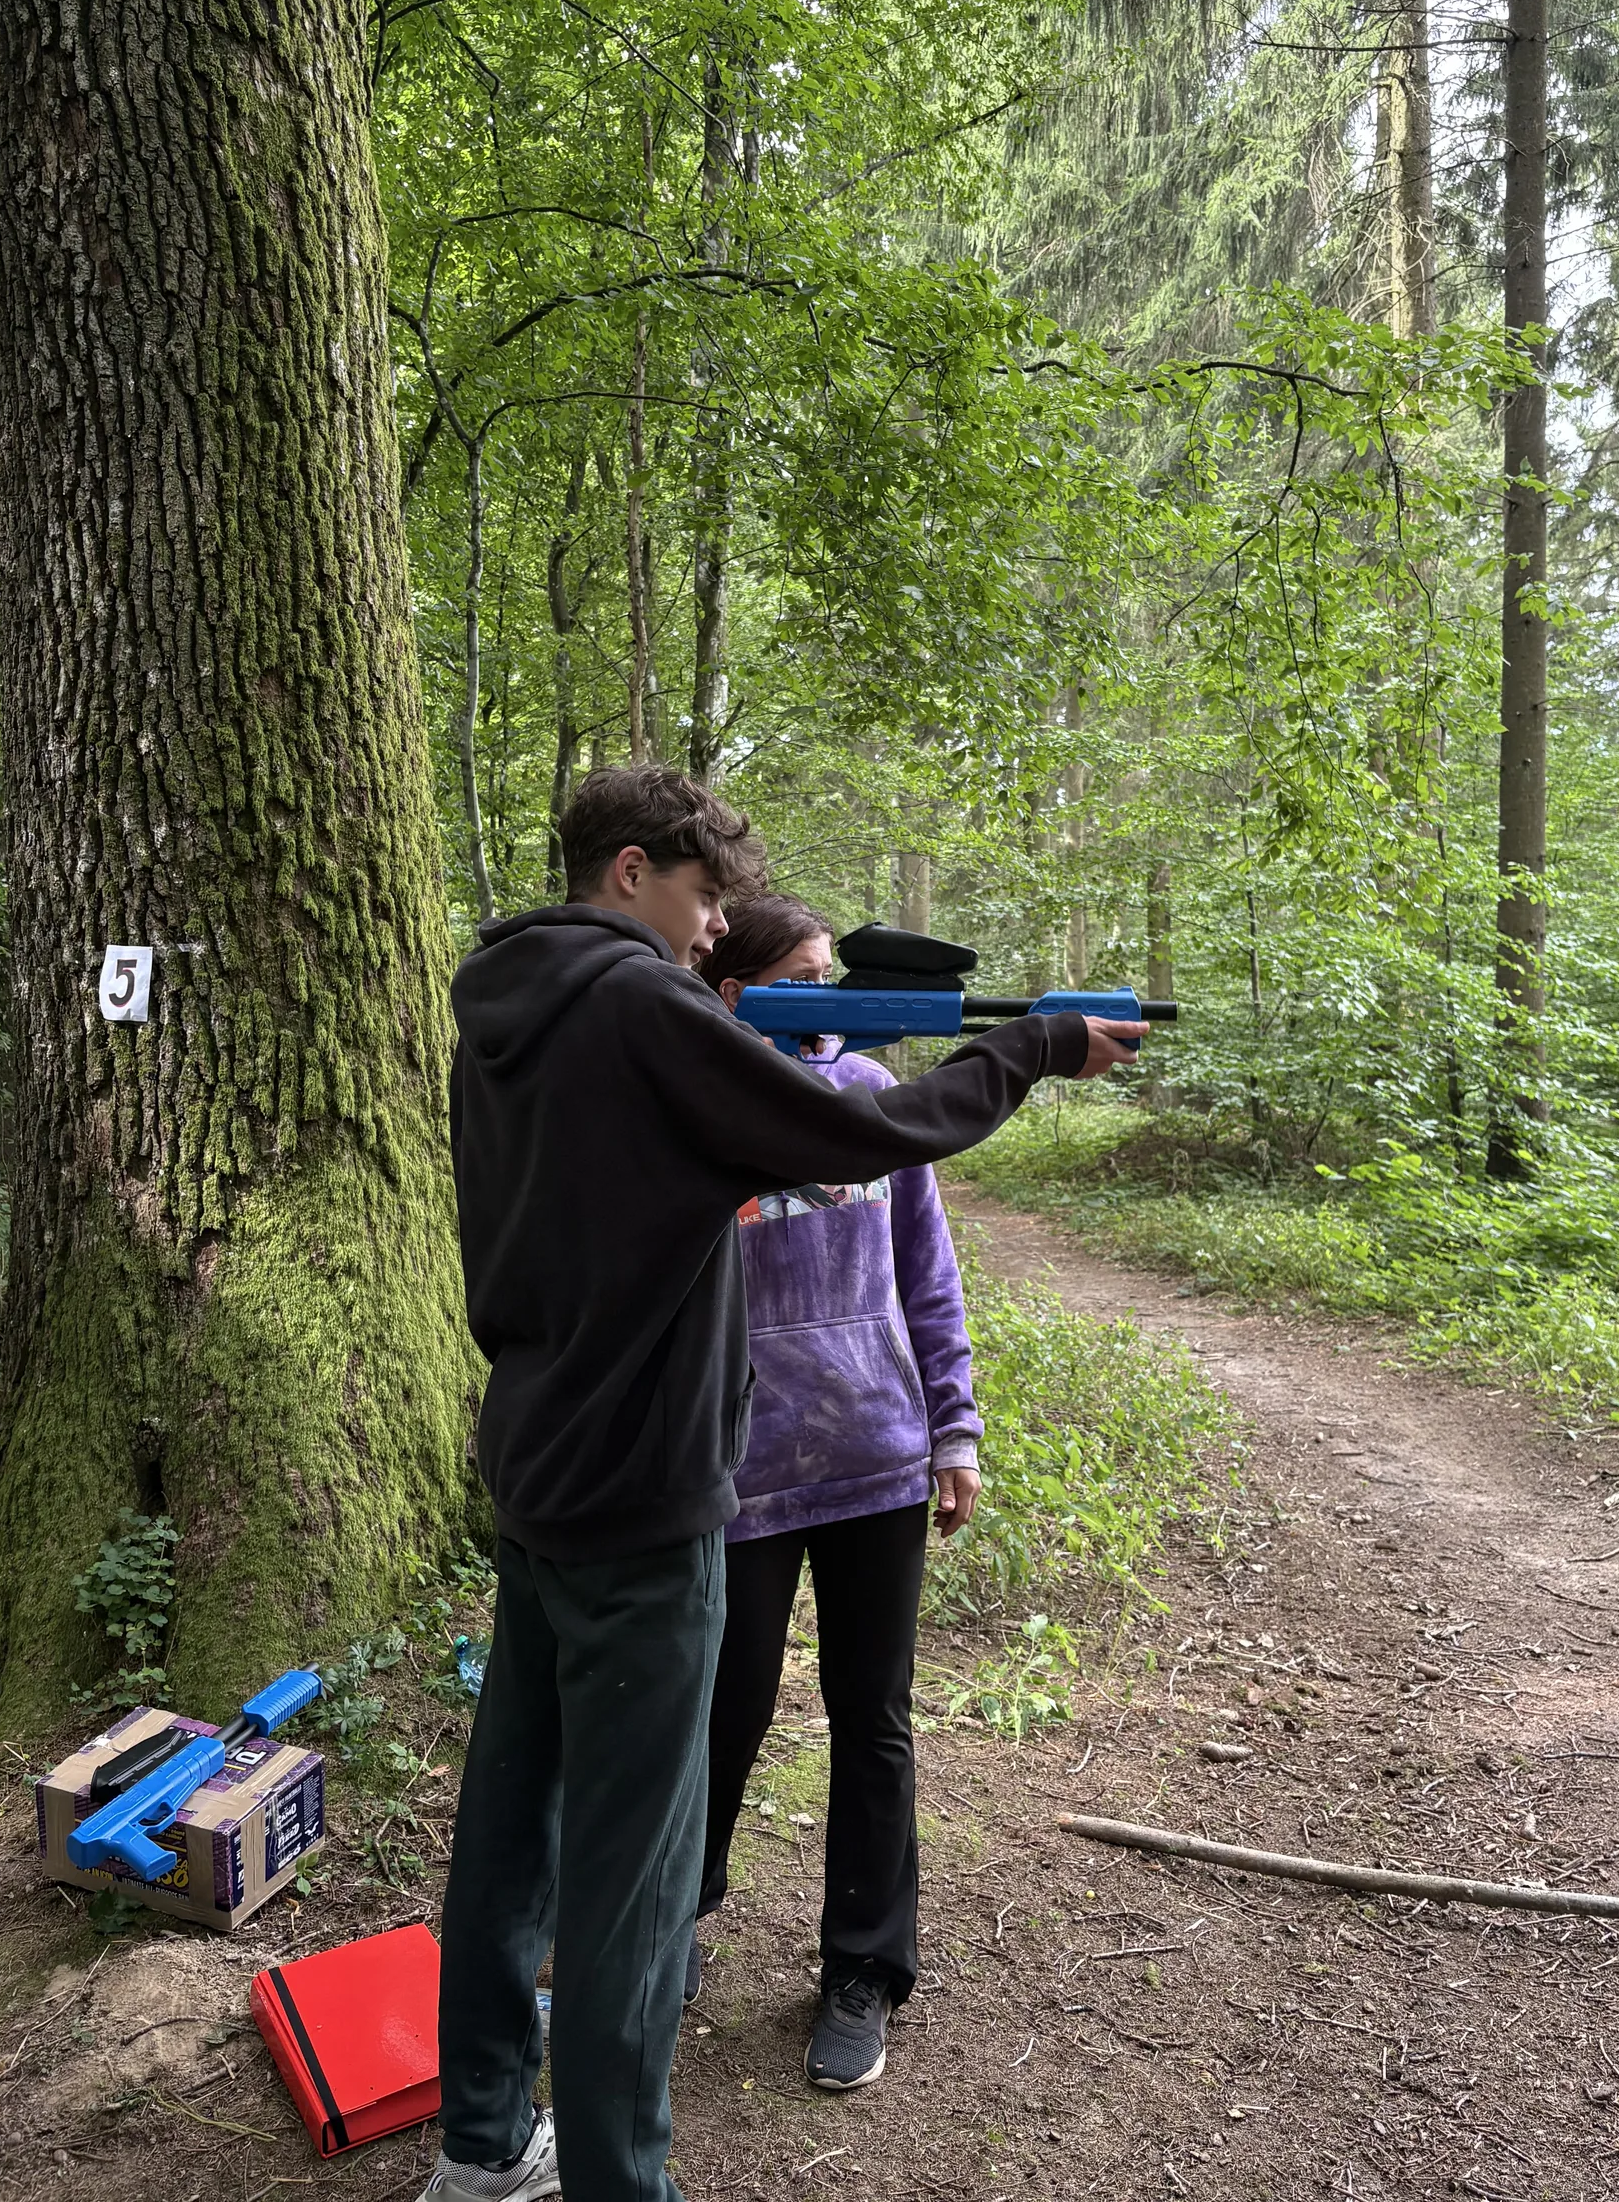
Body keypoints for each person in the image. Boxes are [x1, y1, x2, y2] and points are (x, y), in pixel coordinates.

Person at [427, 764, 1145, 2202]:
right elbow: (865, 1134)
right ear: (630, 872)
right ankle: (621, 2185)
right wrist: (1035, 1048)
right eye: (702, 900)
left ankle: (486, 2146)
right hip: (645, 1492)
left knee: (514, 1832)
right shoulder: (641, 1008)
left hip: (544, 1465)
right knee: (633, 1881)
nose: (711, 933)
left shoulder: (510, 1005)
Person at [690, 894, 981, 2095]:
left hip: (874, 1456)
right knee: (720, 1711)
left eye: (833, 980)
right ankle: (674, 1921)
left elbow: (929, 1274)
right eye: (799, 982)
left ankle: (862, 1965)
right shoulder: (698, 1104)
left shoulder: (872, 1095)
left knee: (874, 1718)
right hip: (742, 1474)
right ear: (737, 990)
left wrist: (953, 1429)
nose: (824, 1005)